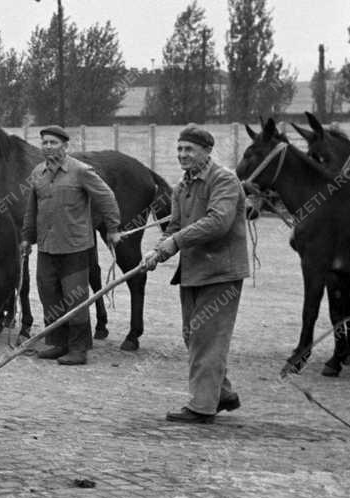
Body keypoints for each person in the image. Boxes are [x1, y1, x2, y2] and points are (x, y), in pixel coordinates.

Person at [143, 124, 249, 424]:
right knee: (193, 335)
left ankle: (203, 407)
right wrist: (157, 251)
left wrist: (174, 242)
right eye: (179, 149)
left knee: (207, 338)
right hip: (192, 272)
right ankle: (223, 394)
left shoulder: (224, 180)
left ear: (206, 151)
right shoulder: (182, 187)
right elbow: (174, 228)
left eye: (189, 149)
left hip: (221, 273)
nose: (182, 155)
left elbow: (219, 222)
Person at [21, 125, 122, 365]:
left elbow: (106, 196)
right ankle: (58, 343)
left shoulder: (80, 171)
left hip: (75, 248)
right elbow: (31, 209)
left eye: (53, 143)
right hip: (46, 247)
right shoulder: (38, 173)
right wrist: (26, 238)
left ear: (65, 146)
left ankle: (78, 349)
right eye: (44, 143)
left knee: (75, 299)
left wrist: (114, 228)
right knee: (49, 295)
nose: (48, 147)